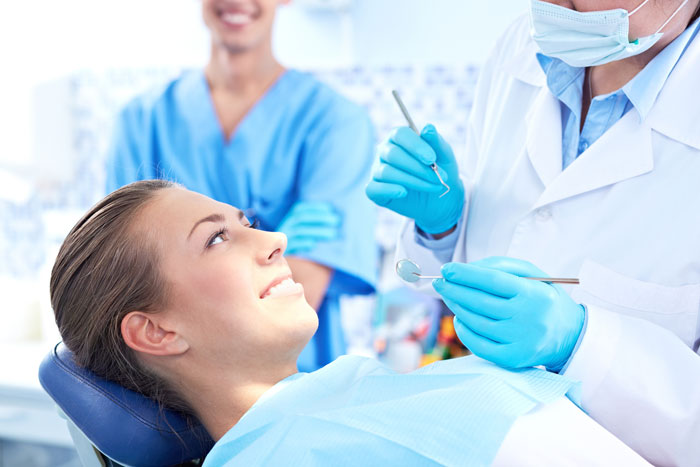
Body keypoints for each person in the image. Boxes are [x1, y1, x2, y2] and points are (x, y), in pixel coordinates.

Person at [50, 180, 649, 466]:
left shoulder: (343, 393)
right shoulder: (281, 456)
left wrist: (437, 238)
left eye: (246, 220)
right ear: (156, 332)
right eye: (215, 239)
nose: (275, 240)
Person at [366, 1, 700, 465]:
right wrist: (441, 228)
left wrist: (582, 341)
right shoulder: (519, 50)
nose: (558, 8)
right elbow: (500, 247)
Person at [105, 0, 377, 372]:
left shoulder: (335, 123)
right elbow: (122, 283)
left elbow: (295, 301)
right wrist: (271, 268)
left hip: (296, 382)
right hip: (167, 391)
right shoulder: (141, 121)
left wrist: (188, 281)